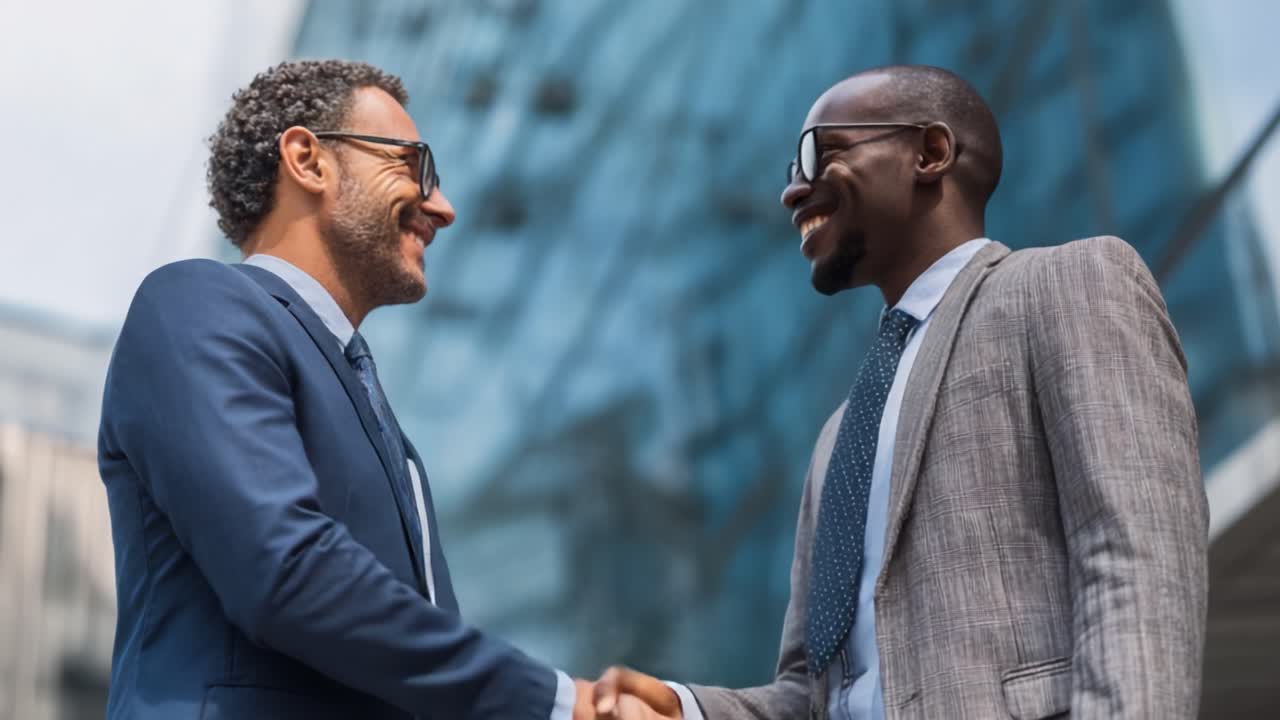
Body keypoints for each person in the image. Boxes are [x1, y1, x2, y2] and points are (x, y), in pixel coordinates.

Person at [593, 65, 1208, 719]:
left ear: (929, 153)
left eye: (819, 154)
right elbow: (814, 694)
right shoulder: (839, 438)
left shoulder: (1066, 284)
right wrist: (683, 708)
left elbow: (1137, 563)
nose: (792, 192)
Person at [98, 60, 596, 720]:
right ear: (308, 159)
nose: (443, 208)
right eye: (415, 166)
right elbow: (289, 571)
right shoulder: (198, 304)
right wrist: (559, 702)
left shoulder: (390, 433)